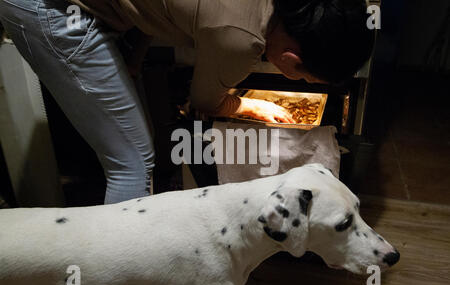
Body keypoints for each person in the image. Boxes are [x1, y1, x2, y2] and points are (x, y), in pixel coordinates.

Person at [0, 0, 374, 204]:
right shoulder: (242, 40)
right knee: (132, 160)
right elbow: (205, 102)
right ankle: (130, 280)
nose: (300, 81)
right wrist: (252, 106)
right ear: (293, 61)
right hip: (50, 8)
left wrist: (135, 56)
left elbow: (161, 12)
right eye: (305, 78)